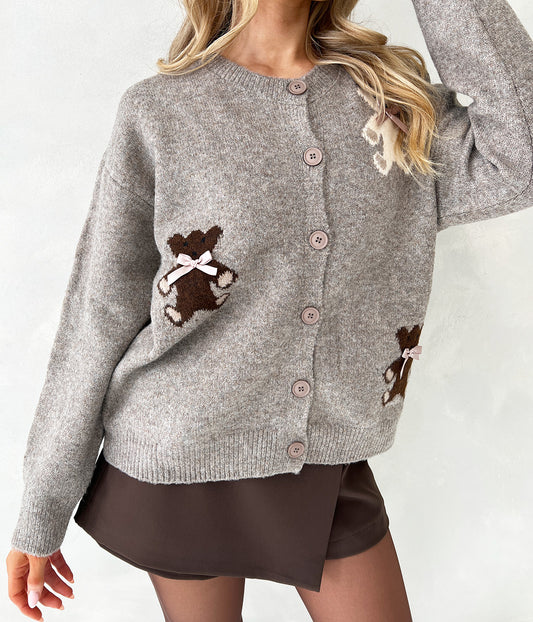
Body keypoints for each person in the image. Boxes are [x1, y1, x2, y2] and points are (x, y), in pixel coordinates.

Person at [6, 0, 533, 620]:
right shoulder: (162, 111)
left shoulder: (393, 103)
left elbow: (520, 157)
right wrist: (41, 512)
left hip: (326, 460)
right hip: (180, 453)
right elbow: (98, 313)